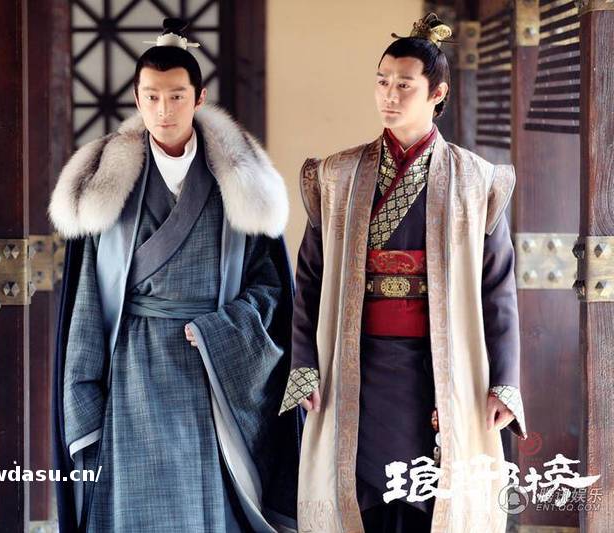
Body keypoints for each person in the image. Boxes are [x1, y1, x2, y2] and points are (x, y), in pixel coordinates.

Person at [50, 18, 300, 533]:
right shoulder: (106, 184)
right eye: (152, 97)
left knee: (203, 503)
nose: (164, 110)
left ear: (199, 98)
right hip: (133, 362)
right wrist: (82, 386)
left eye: (176, 97)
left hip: (208, 362)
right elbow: (88, 298)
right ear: (137, 99)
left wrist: (222, 329)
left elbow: (270, 286)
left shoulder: (237, 180)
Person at [280, 13, 527, 533]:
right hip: (358, 366)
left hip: (439, 369)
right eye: (382, 82)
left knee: (432, 501)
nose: (389, 96)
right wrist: (305, 365)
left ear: (437, 93)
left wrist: (504, 381)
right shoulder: (337, 174)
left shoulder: (474, 180)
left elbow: (497, 289)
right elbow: (310, 280)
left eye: (404, 85)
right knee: (360, 497)